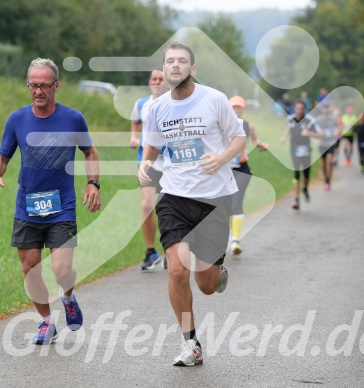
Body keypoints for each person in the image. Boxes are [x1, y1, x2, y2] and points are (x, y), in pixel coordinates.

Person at [138, 42, 246, 366]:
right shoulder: (156, 109)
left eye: (182, 61)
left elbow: (239, 137)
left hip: (213, 199)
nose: (175, 65)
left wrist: (222, 157)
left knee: (207, 285)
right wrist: (144, 164)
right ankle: (191, 344)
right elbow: (153, 145)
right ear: (164, 68)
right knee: (176, 269)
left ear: (192, 69)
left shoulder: (213, 100)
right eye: (169, 61)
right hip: (173, 196)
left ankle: (217, 271)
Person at [0, 58, 101, 345]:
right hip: (28, 206)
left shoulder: (73, 118)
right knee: (30, 268)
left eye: (44, 85)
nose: (38, 91)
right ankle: (47, 322)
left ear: (56, 86)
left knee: (61, 270)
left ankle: (68, 295)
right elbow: (2, 156)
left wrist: (93, 183)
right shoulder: (17, 119)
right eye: (33, 85)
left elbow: (90, 153)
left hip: (62, 206)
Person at [130, 67, 170, 270]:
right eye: (153, 79)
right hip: (147, 162)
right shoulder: (141, 104)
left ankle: (170, 250)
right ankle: (150, 251)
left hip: (171, 164)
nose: (156, 82)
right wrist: (134, 137)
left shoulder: (175, 102)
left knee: (168, 209)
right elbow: (135, 122)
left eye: (160, 79)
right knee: (147, 206)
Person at [228, 95, 269, 255]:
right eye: (233, 107)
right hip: (224, 170)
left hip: (242, 169)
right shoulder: (221, 124)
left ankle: (235, 241)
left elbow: (255, 140)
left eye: (239, 107)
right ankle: (223, 238)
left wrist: (262, 145)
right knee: (224, 206)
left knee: (236, 204)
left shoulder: (248, 125)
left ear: (243, 109)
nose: (236, 110)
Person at [280, 100, 321, 210]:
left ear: (304, 109)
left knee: (306, 174)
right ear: (294, 108)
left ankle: (305, 188)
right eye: (297, 108)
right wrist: (284, 137)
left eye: (301, 109)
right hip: (294, 149)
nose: (299, 111)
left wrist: (309, 133)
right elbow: (288, 129)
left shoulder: (310, 120)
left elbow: (320, 134)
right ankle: (296, 199)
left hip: (306, 149)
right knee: (296, 173)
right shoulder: (290, 119)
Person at [316, 104, 340, 191]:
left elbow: (339, 126)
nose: (325, 110)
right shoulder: (318, 119)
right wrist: (319, 133)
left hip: (331, 142)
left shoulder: (333, 119)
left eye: (327, 109)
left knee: (329, 161)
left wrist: (337, 132)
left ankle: (328, 181)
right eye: (324, 109)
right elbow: (313, 128)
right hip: (322, 143)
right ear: (322, 110)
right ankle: (326, 178)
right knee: (323, 163)